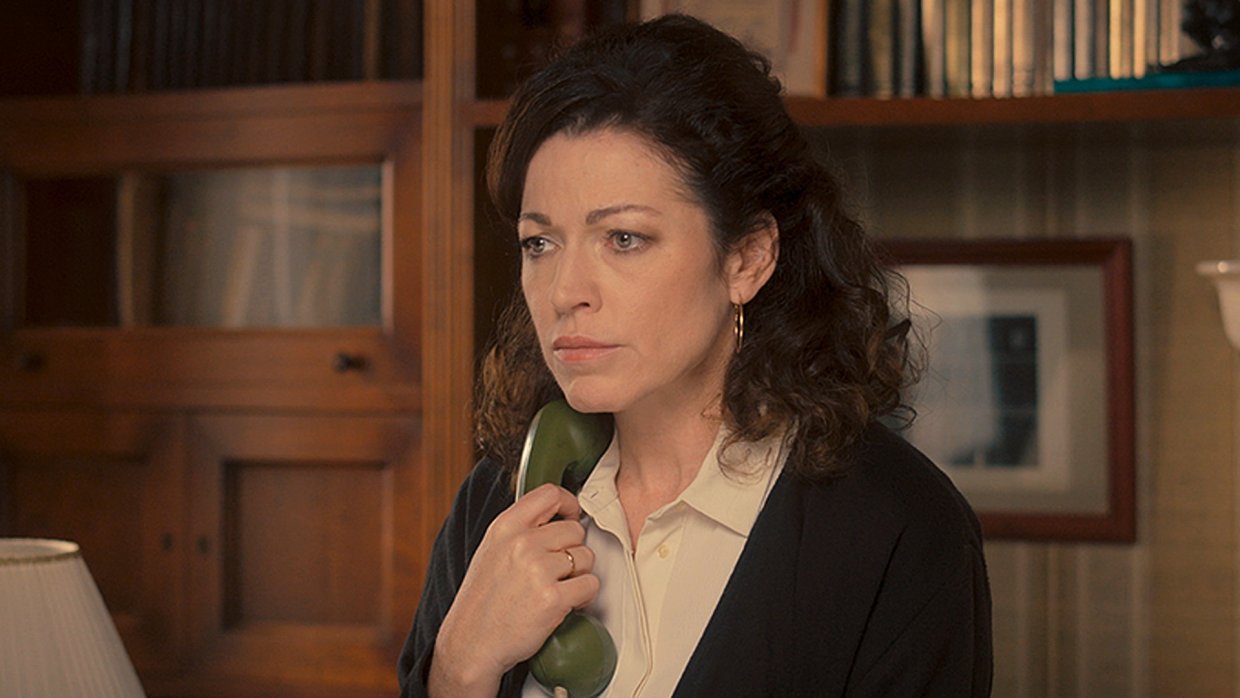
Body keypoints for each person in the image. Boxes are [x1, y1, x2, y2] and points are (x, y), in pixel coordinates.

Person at [398, 14, 992, 697]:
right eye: (540, 243)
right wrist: (460, 667)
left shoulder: (902, 529)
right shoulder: (495, 503)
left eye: (624, 239)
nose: (564, 292)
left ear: (747, 258)